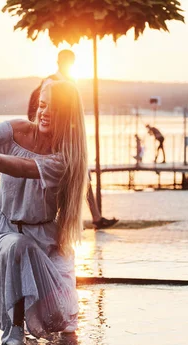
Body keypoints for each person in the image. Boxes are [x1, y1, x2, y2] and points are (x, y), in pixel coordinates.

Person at [0, 80, 86, 345]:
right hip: (5, 234)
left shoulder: (64, 158)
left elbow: (22, 167)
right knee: (17, 246)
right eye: (43, 105)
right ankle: (13, 329)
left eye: (54, 108)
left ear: (68, 115)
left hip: (46, 243)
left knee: (63, 320)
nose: (45, 112)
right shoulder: (14, 129)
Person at [28, 50, 117, 230]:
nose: (69, 65)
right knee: (75, 175)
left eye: (71, 62)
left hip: (68, 138)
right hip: (54, 140)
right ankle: (76, 219)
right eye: (68, 61)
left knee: (83, 173)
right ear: (60, 62)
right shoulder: (51, 82)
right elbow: (41, 112)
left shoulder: (70, 82)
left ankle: (94, 217)